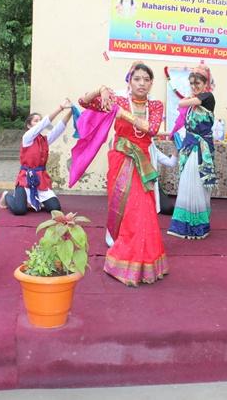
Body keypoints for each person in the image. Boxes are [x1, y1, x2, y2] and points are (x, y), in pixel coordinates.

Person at [79, 61, 167, 286]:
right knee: (126, 211)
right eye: (137, 79)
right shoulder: (117, 100)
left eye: (146, 80)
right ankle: (125, 258)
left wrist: (122, 114)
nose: (142, 83)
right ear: (129, 81)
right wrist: (100, 89)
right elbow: (84, 102)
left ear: (151, 83)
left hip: (143, 162)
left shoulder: (155, 105)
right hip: (120, 161)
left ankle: (142, 262)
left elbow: (153, 128)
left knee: (144, 212)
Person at [167, 64, 216, 240]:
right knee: (187, 182)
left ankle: (198, 225)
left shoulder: (207, 97)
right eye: (192, 83)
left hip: (201, 149)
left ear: (205, 84)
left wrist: (189, 98)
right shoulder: (194, 102)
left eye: (198, 83)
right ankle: (184, 223)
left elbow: (181, 102)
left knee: (196, 182)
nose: (194, 86)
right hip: (190, 147)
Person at [0, 101, 73, 215]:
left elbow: (58, 129)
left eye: (40, 120)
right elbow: (44, 124)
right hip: (25, 180)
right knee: (19, 210)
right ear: (29, 125)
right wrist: (60, 108)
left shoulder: (44, 140)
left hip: (40, 180)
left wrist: (71, 112)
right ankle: (7, 196)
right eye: (35, 121)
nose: (39, 123)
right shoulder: (27, 138)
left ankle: (35, 200)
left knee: (55, 208)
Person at [149, 140, 177, 215]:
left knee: (168, 208)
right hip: (134, 184)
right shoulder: (130, 143)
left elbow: (171, 163)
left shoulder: (151, 146)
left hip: (150, 183)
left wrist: (176, 149)